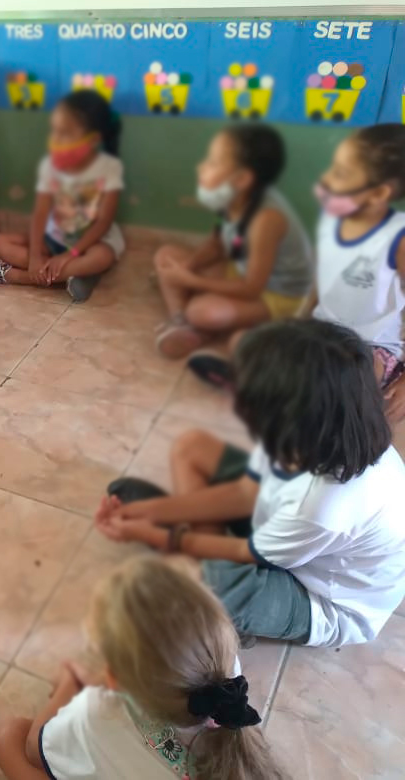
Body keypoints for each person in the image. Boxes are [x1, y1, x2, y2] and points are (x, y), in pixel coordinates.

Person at [99, 320, 405, 648]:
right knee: (192, 450)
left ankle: (225, 609)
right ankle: (206, 574)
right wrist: (153, 511)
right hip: (293, 534)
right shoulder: (326, 433)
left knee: (201, 582)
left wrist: (158, 533)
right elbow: (245, 491)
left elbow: (248, 553)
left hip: (323, 600)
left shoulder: (328, 503)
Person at [0, 557, 285, 780]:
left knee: (8, 737)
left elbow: (35, 748)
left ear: (112, 678)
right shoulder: (228, 678)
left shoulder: (99, 713)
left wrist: (70, 680)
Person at [189, 124, 405, 425]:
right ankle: (285, 394)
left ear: (379, 193)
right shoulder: (333, 223)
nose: (327, 179)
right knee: (242, 342)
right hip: (323, 333)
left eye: (342, 173)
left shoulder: (398, 238)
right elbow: (324, 283)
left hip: (369, 349)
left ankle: (285, 396)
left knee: (349, 379)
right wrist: (297, 324)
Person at [153, 125, 313, 358]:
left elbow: (251, 288)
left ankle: (201, 325)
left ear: (242, 179)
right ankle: (181, 323)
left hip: (277, 295)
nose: (201, 167)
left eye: (213, 162)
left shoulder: (266, 219)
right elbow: (216, 244)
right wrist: (188, 266)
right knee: (166, 256)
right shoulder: (232, 198)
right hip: (241, 271)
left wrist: (192, 281)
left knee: (200, 311)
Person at [0, 89, 124, 303]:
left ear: (93, 139)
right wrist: (35, 257)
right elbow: (40, 214)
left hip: (93, 241)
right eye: (55, 131)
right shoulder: (50, 166)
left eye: (65, 133)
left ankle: (18, 276)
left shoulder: (109, 168)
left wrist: (70, 255)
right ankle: (76, 275)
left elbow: (103, 222)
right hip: (55, 238)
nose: (56, 139)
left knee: (102, 257)